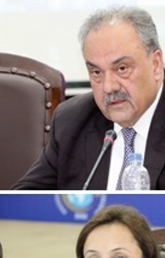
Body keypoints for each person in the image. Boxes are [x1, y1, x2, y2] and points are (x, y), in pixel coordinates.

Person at [13, 6, 165, 190]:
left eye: (122, 68)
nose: (109, 87)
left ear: (156, 65)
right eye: (96, 72)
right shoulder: (71, 120)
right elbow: (24, 197)